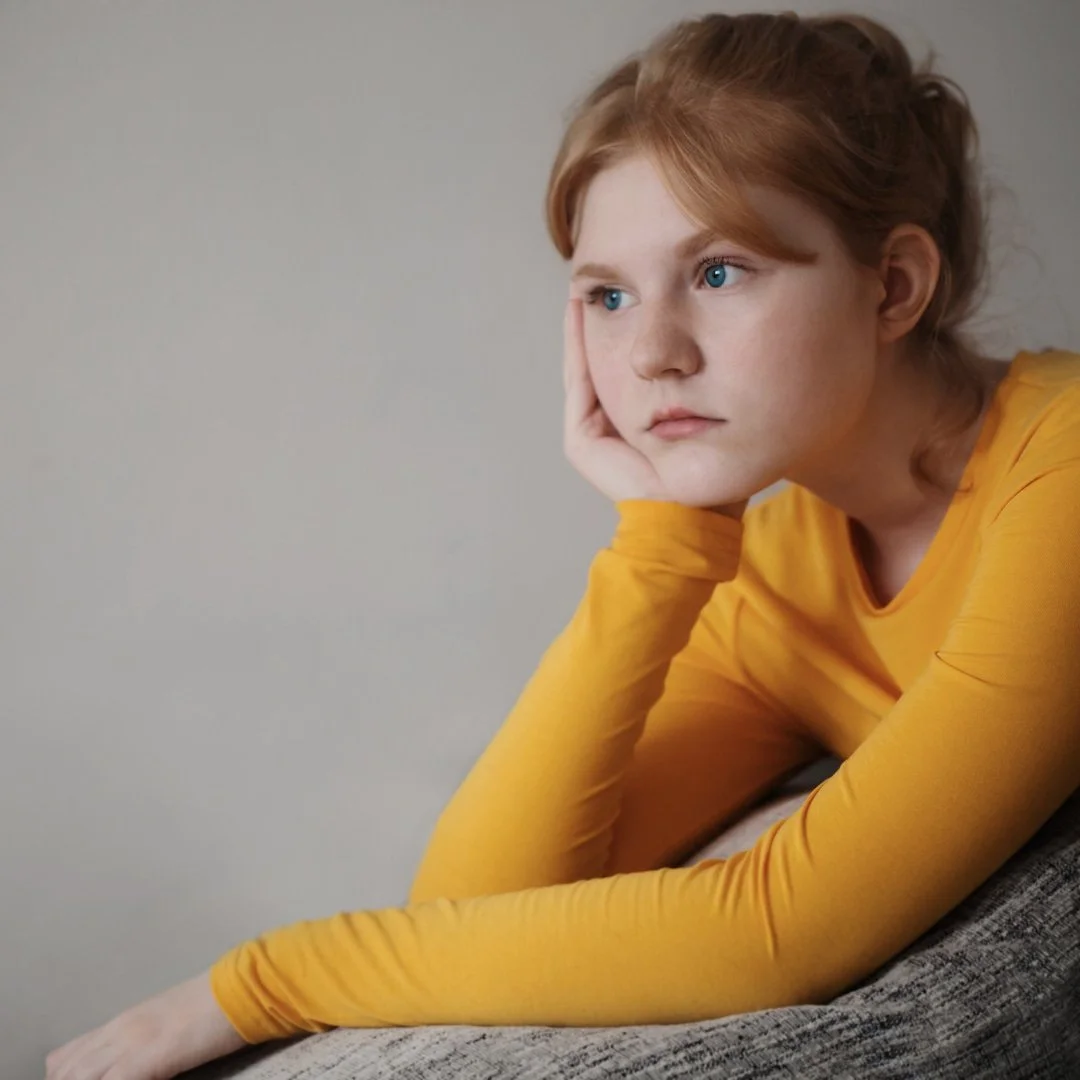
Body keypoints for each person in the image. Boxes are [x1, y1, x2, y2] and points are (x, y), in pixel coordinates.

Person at [45, 10, 1080, 1079]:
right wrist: (661, 541)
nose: (651, 353)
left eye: (720, 272)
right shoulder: (777, 561)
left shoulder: (1064, 474)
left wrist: (262, 982)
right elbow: (481, 904)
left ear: (894, 286)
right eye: (607, 295)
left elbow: (775, 936)